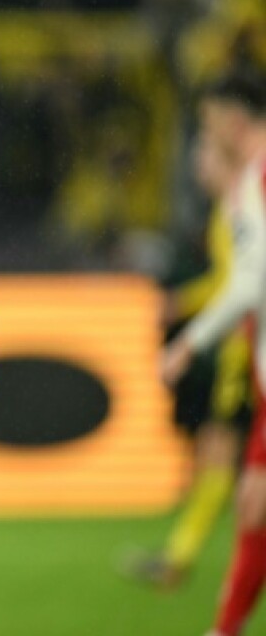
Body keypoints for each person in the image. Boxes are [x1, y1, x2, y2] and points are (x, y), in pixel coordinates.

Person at [123, 128, 252, 590]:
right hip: (243, 350)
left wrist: (184, 312)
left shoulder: (241, 206)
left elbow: (237, 284)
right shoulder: (231, 208)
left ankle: (181, 560)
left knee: (227, 457)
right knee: (224, 454)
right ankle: (179, 558)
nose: (197, 164)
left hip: (249, 353)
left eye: (204, 153)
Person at [162, 68, 266, 636]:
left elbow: (251, 283)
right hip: (258, 380)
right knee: (253, 504)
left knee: (254, 501)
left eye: (207, 124)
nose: (205, 137)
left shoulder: (257, 178)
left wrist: (187, 343)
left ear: (232, 117)